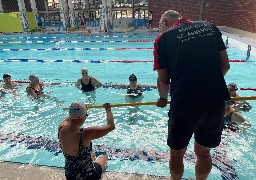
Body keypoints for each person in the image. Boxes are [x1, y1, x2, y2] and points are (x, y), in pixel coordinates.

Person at [154, 10, 230, 180]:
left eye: (159, 25)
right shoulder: (210, 28)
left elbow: (164, 80)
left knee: (177, 154)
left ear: (165, 21)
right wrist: (208, 85)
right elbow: (225, 65)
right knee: (204, 152)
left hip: (185, 103)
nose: (159, 29)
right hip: (215, 100)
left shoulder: (163, 39)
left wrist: (163, 98)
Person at [58, 102, 115, 180]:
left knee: (92, 154)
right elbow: (111, 126)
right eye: (86, 115)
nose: (85, 118)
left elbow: (70, 118)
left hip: (70, 175)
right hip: (87, 176)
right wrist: (108, 109)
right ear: (81, 117)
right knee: (103, 157)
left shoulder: (61, 129)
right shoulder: (85, 134)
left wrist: (81, 110)